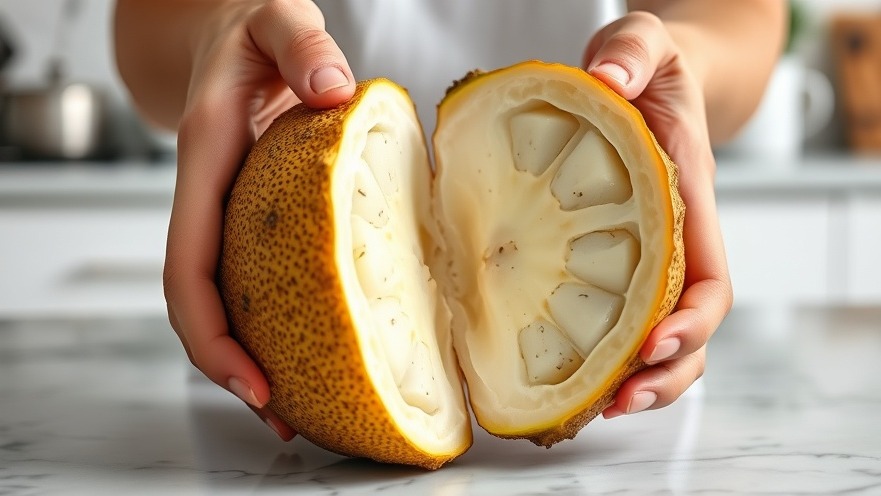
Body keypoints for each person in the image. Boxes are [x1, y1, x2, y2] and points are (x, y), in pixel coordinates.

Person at [114, 0, 786, 441]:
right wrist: (218, 34)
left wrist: (684, 61)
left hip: (629, 423)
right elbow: (143, 35)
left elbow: (743, 21)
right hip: (274, 396)